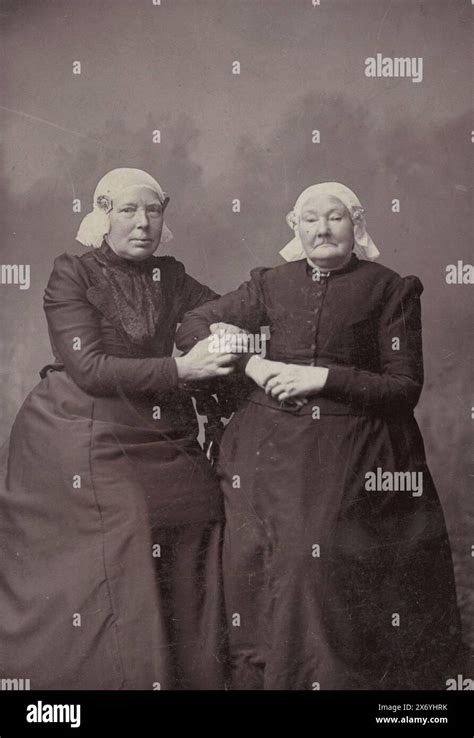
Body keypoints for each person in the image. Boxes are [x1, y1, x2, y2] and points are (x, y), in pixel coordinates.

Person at [176, 182, 464, 690]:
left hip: (353, 444)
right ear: (295, 226)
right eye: (310, 219)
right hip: (265, 446)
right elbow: (195, 323)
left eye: (334, 218)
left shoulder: (390, 288)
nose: (322, 229)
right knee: (248, 556)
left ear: (356, 225)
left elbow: (403, 386)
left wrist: (321, 378)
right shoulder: (269, 283)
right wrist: (253, 362)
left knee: (318, 557)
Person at [0, 168, 238, 689]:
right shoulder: (73, 275)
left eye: (153, 210)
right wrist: (182, 369)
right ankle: (125, 676)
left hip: (155, 424)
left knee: (203, 507)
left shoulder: (170, 276)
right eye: (128, 210)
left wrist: (226, 324)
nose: (143, 222)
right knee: (133, 519)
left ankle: (188, 674)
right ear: (103, 213)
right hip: (83, 423)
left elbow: (224, 307)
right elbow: (91, 370)